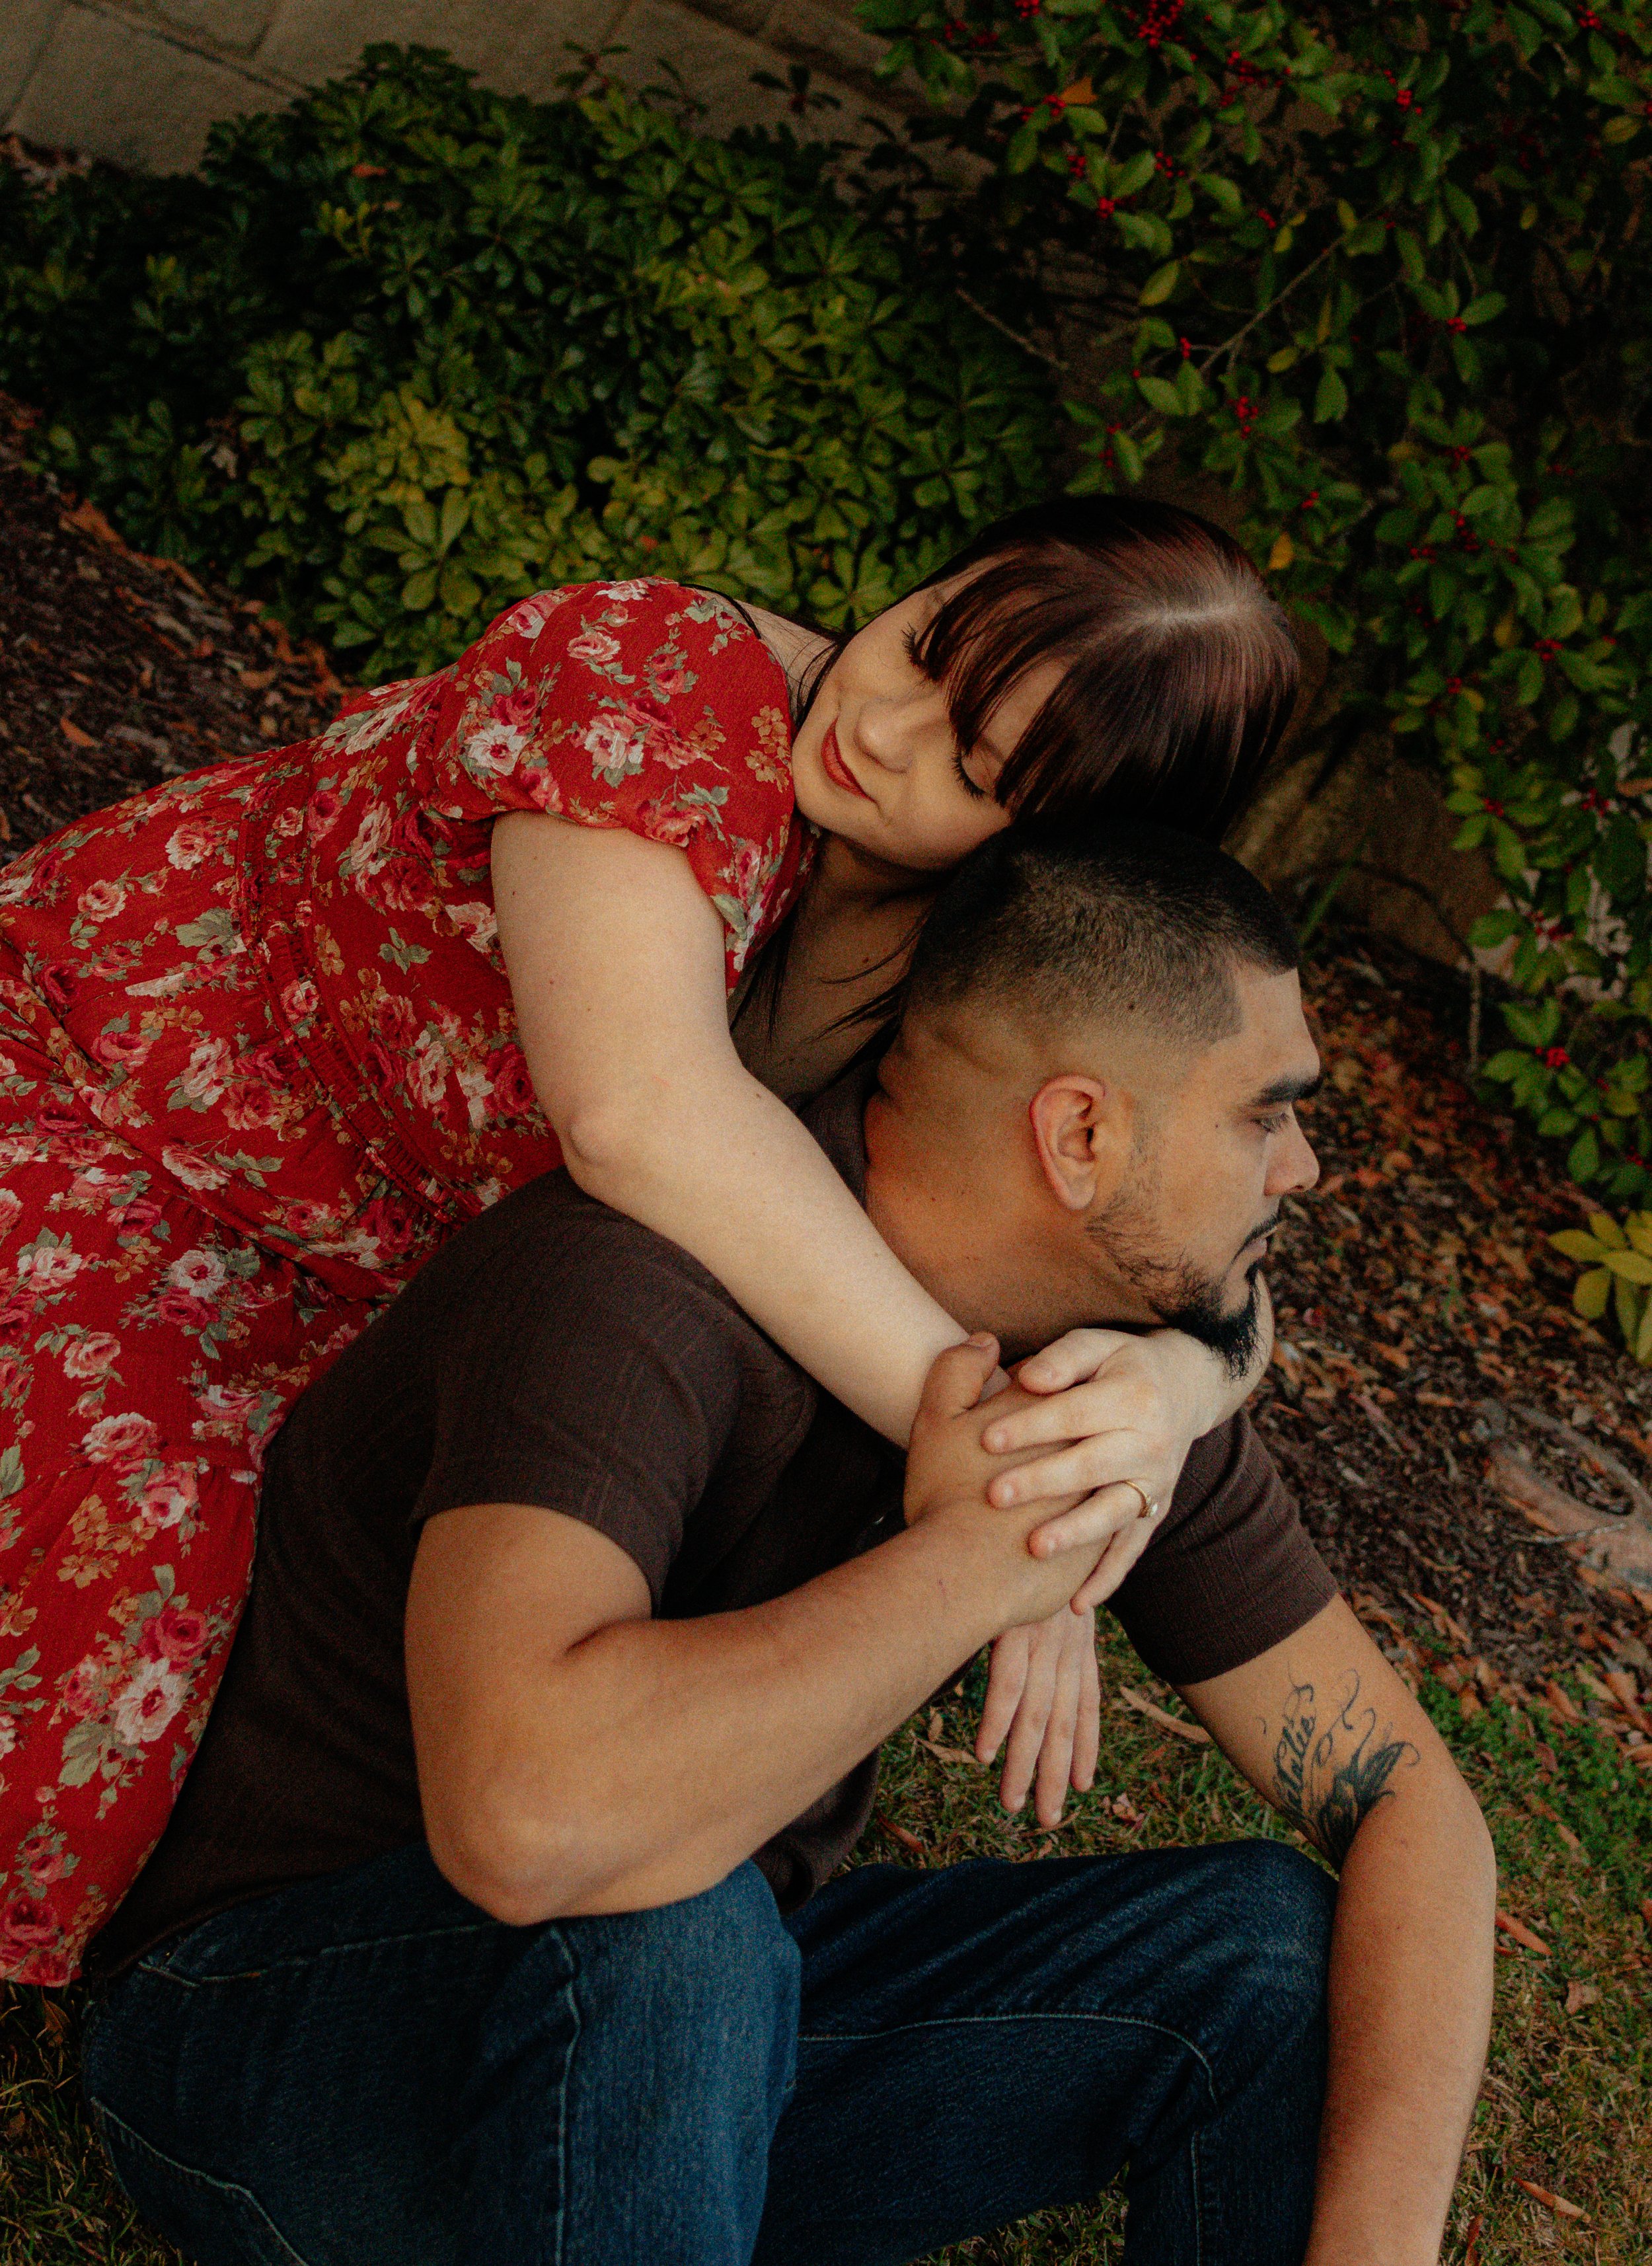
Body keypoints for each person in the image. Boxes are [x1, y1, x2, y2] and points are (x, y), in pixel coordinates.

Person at [79, 825, 1497, 2266]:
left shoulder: (1109, 1380)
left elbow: (1414, 1811)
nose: (1303, 1166)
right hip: (280, 2017)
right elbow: (531, 1824)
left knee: (1277, 1953)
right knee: (668, 1904)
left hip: (692, 2035)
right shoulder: (635, 1283)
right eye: (1265, 1114)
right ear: (1081, 1135)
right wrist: (982, 1557)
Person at [0, 497, 1300, 1982]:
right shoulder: (654, 680)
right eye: (921, 643)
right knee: (143, 1538)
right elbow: (637, 1111)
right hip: (103, 1104)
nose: (883, 728)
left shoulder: (983, 942)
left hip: (373, 1277)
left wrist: (1169, 1399)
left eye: (974, 765)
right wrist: (1007, 1465)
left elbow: (1178, 1242)